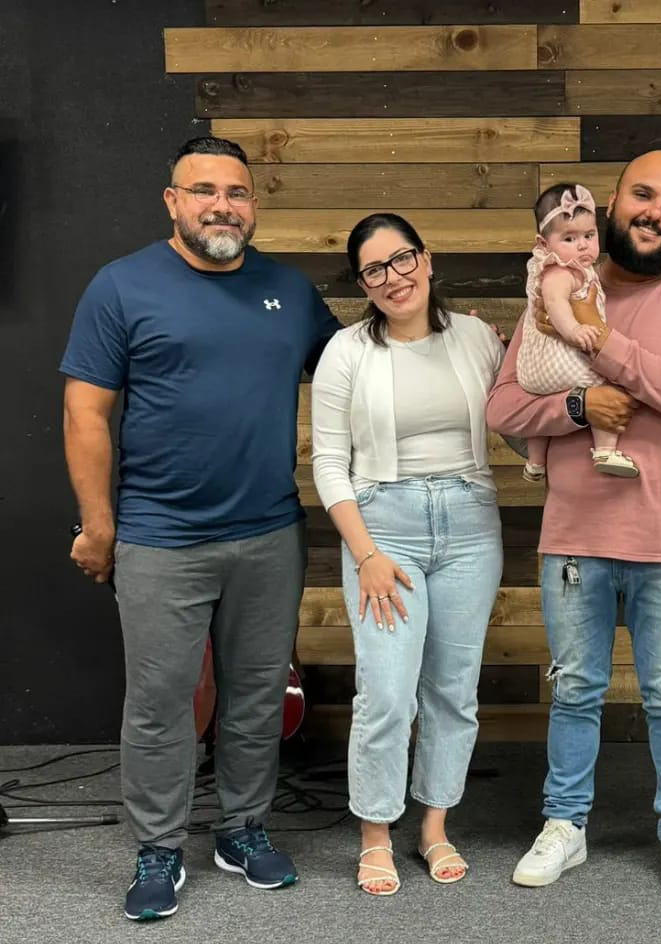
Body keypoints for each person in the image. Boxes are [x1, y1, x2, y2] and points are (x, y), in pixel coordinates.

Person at [60, 137, 341, 920]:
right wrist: (99, 525)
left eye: (237, 192)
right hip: (159, 536)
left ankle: (243, 829)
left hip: (270, 533)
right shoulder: (122, 286)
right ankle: (159, 845)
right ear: (173, 201)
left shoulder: (289, 290)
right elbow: (85, 413)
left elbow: (360, 368)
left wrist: (441, 339)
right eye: (205, 190)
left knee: (256, 694)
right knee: (160, 702)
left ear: (254, 204)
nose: (223, 205)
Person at [487, 150, 661, 900]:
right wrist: (577, 407)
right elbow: (504, 407)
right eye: (643, 195)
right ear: (612, 204)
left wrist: (600, 338)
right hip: (574, 539)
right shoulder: (559, 285)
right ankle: (565, 824)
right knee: (573, 692)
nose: (656, 212)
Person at [310, 213, 504, 896]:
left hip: (470, 525)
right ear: (362, 284)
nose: (393, 278)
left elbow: (520, 417)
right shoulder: (345, 352)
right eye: (374, 270)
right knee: (388, 693)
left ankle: (434, 826)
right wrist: (364, 553)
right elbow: (328, 463)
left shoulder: (477, 338)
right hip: (383, 530)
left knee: (453, 689)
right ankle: (375, 833)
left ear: (426, 259)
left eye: (402, 259)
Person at [517, 182, 637, 480]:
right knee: (606, 383)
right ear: (543, 243)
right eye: (569, 238)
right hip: (557, 362)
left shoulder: (571, 268)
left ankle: (535, 462)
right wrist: (573, 330)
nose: (582, 245)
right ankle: (605, 450)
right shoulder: (559, 271)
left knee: (539, 404)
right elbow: (555, 303)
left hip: (534, 374)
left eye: (589, 235)